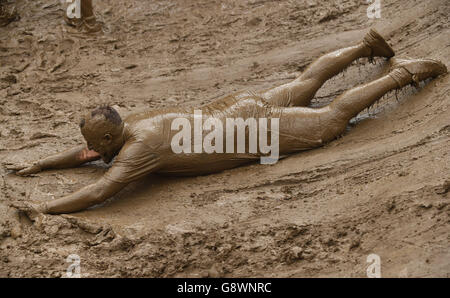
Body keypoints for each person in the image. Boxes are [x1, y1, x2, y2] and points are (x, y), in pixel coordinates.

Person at [7, 29, 447, 215]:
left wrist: (45, 207)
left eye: (95, 143)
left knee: (330, 123)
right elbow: (89, 154)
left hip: (250, 131)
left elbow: (100, 190)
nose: (92, 152)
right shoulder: (127, 127)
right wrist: (45, 164)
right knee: (303, 83)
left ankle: (403, 73)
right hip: (236, 106)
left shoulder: (138, 150)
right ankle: (364, 45)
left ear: (109, 136)